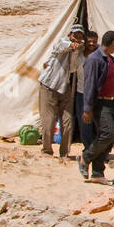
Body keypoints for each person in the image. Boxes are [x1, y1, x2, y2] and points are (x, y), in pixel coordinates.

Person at [80, 30, 114, 184]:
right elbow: (89, 84)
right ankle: (85, 157)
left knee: (107, 139)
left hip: (112, 103)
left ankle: (98, 173)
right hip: (101, 103)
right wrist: (87, 108)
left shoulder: (111, 59)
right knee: (107, 134)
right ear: (112, 43)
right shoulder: (94, 59)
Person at [37, 24, 83, 159]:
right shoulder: (62, 42)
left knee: (67, 121)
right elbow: (62, 46)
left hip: (65, 87)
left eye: (80, 36)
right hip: (49, 85)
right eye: (75, 35)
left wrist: (77, 49)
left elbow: (74, 67)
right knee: (48, 121)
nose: (77, 38)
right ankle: (47, 150)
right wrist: (72, 46)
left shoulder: (79, 50)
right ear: (70, 35)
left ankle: (64, 152)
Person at [71, 30, 99, 154]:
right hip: (82, 93)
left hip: (97, 94)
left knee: (98, 123)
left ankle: (100, 150)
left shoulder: (101, 56)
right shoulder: (80, 56)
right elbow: (72, 68)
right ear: (85, 42)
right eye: (89, 42)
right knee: (84, 124)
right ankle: (88, 148)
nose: (92, 44)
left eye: (94, 41)